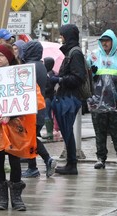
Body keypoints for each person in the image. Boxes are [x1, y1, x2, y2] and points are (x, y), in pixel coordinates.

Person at [0, 43, 37, 211]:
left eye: (1, 56)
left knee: (14, 159)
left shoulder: (20, 75)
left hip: (14, 126)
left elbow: (26, 100)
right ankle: (2, 198)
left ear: (9, 57)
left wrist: (11, 115)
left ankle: (16, 198)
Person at [86, 29, 117, 170]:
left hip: (114, 103)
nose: (105, 43)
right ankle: (101, 158)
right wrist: (91, 73)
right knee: (99, 133)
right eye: (102, 41)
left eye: (107, 40)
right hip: (97, 103)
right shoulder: (93, 56)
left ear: (113, 41)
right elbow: (85, 75)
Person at [50, 24, 86, 175]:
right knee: (66, 131)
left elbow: (78, 77)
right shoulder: (72, 52)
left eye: (62, 35)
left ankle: (72, 164)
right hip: (67, 97)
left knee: (67, 131)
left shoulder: (75, 53)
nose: (61, 38)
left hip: (70, 98)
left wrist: (59, 80)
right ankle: (71, 163)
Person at [20, 41, 56, 178]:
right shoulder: (40, 65)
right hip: (39, 108)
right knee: (30, 138)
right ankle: (33, 166)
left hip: (32, 109)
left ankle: (45, 161)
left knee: (31, 138)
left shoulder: (30, 67)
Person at [42, 57, 57, 140]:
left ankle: (49, 133)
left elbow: (48, 86)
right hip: (51, 96)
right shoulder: (52, 73)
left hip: (47, 97)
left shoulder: (48, 75)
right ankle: (50, 132)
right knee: (49, 115)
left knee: (47, 115)